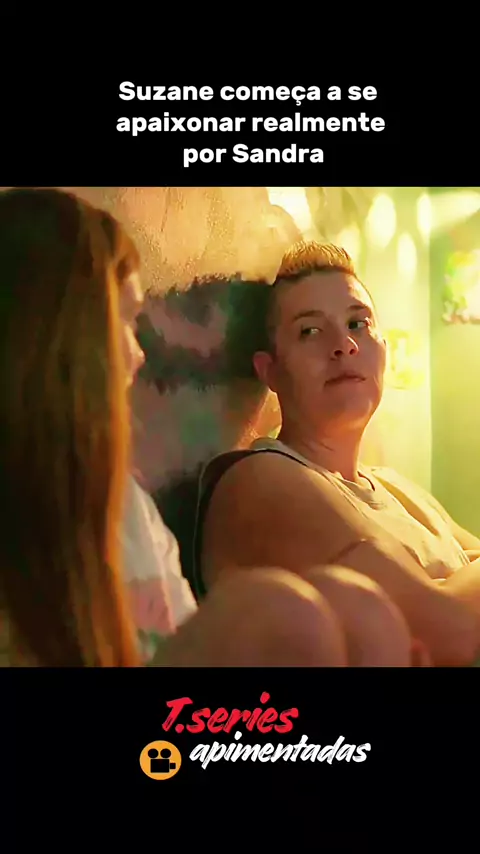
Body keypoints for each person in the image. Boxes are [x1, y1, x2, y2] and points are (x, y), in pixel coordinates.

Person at [0, 188, 415, 668]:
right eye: (124, 322)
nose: (139, 355)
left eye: (359, 324)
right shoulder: (262, 478)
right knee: (294, 610)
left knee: (346, 607)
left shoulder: (125, 505)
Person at [193, 240, 480, 666]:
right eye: (310, 331)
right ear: (271, 371)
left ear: (383, 350)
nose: (344, 344)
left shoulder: (395, 487)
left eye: (358, 323)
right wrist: (449, 592)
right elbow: (450, 634)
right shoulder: (260, 481)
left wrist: (448, 593)